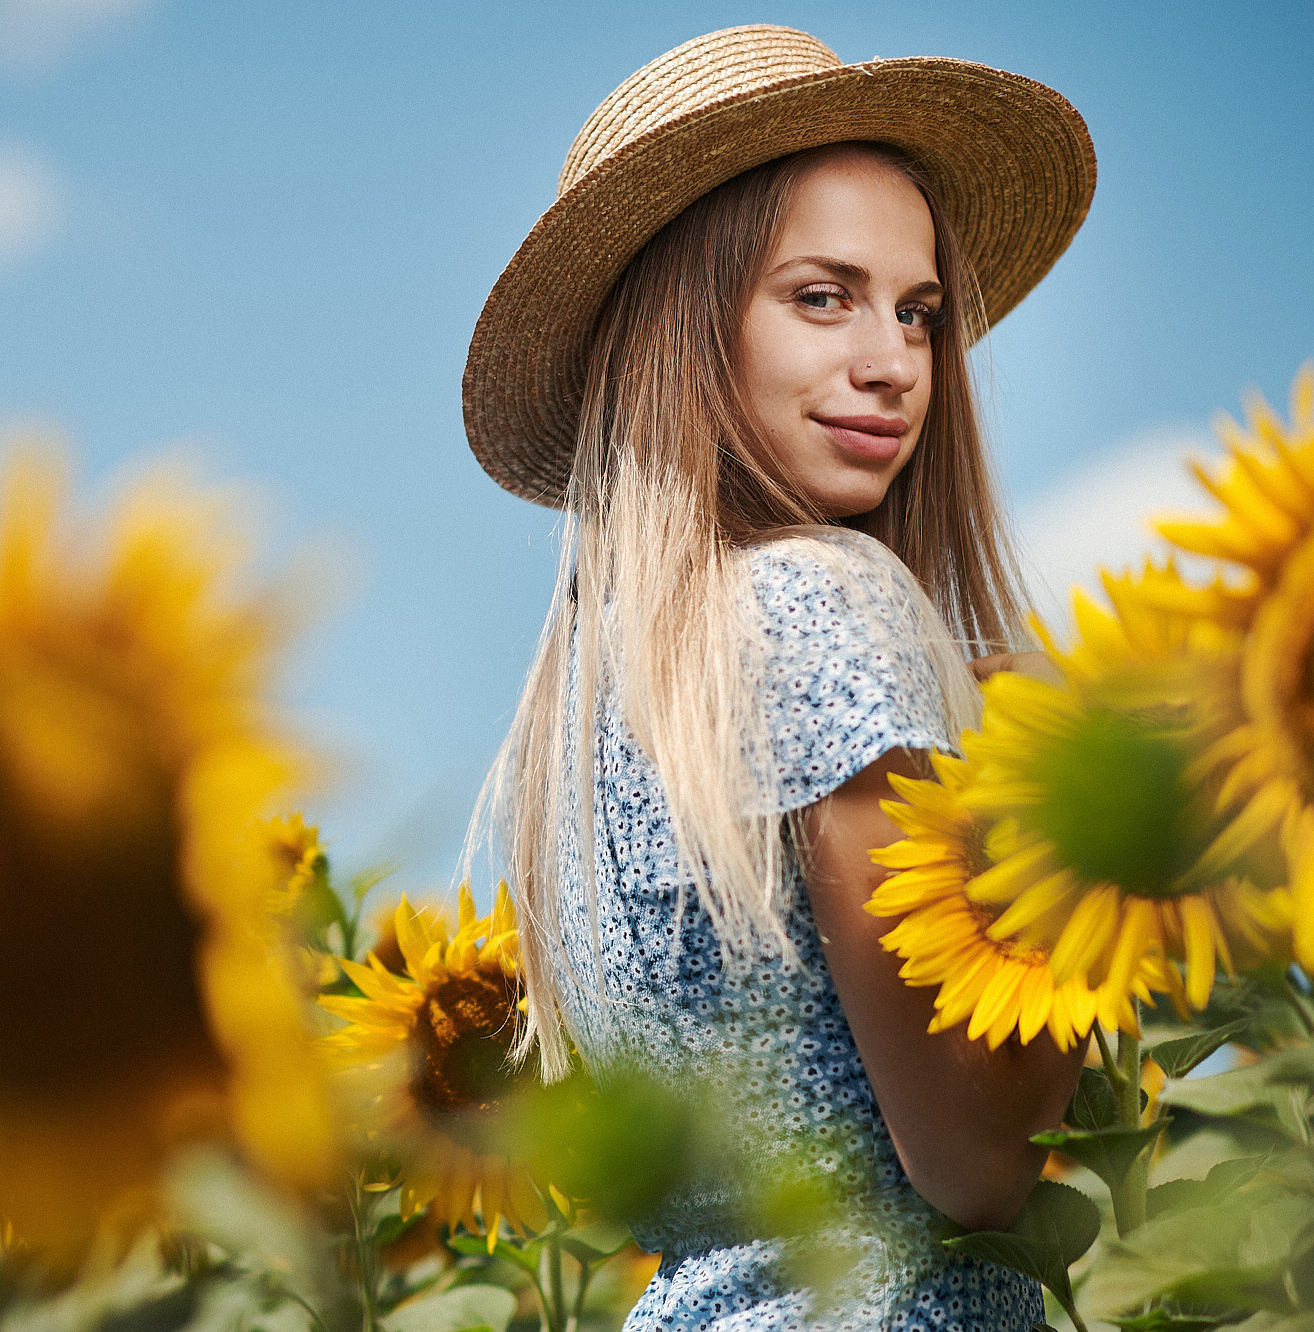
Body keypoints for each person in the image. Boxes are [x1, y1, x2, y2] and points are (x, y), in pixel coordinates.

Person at [462, 26, 1096, 1332]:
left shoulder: (581, 713)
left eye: (917, 311)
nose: (894, 361)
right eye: (823, 296)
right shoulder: (814, 604)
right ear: (684, 326)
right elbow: (975, 1167)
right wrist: (1090, 849)